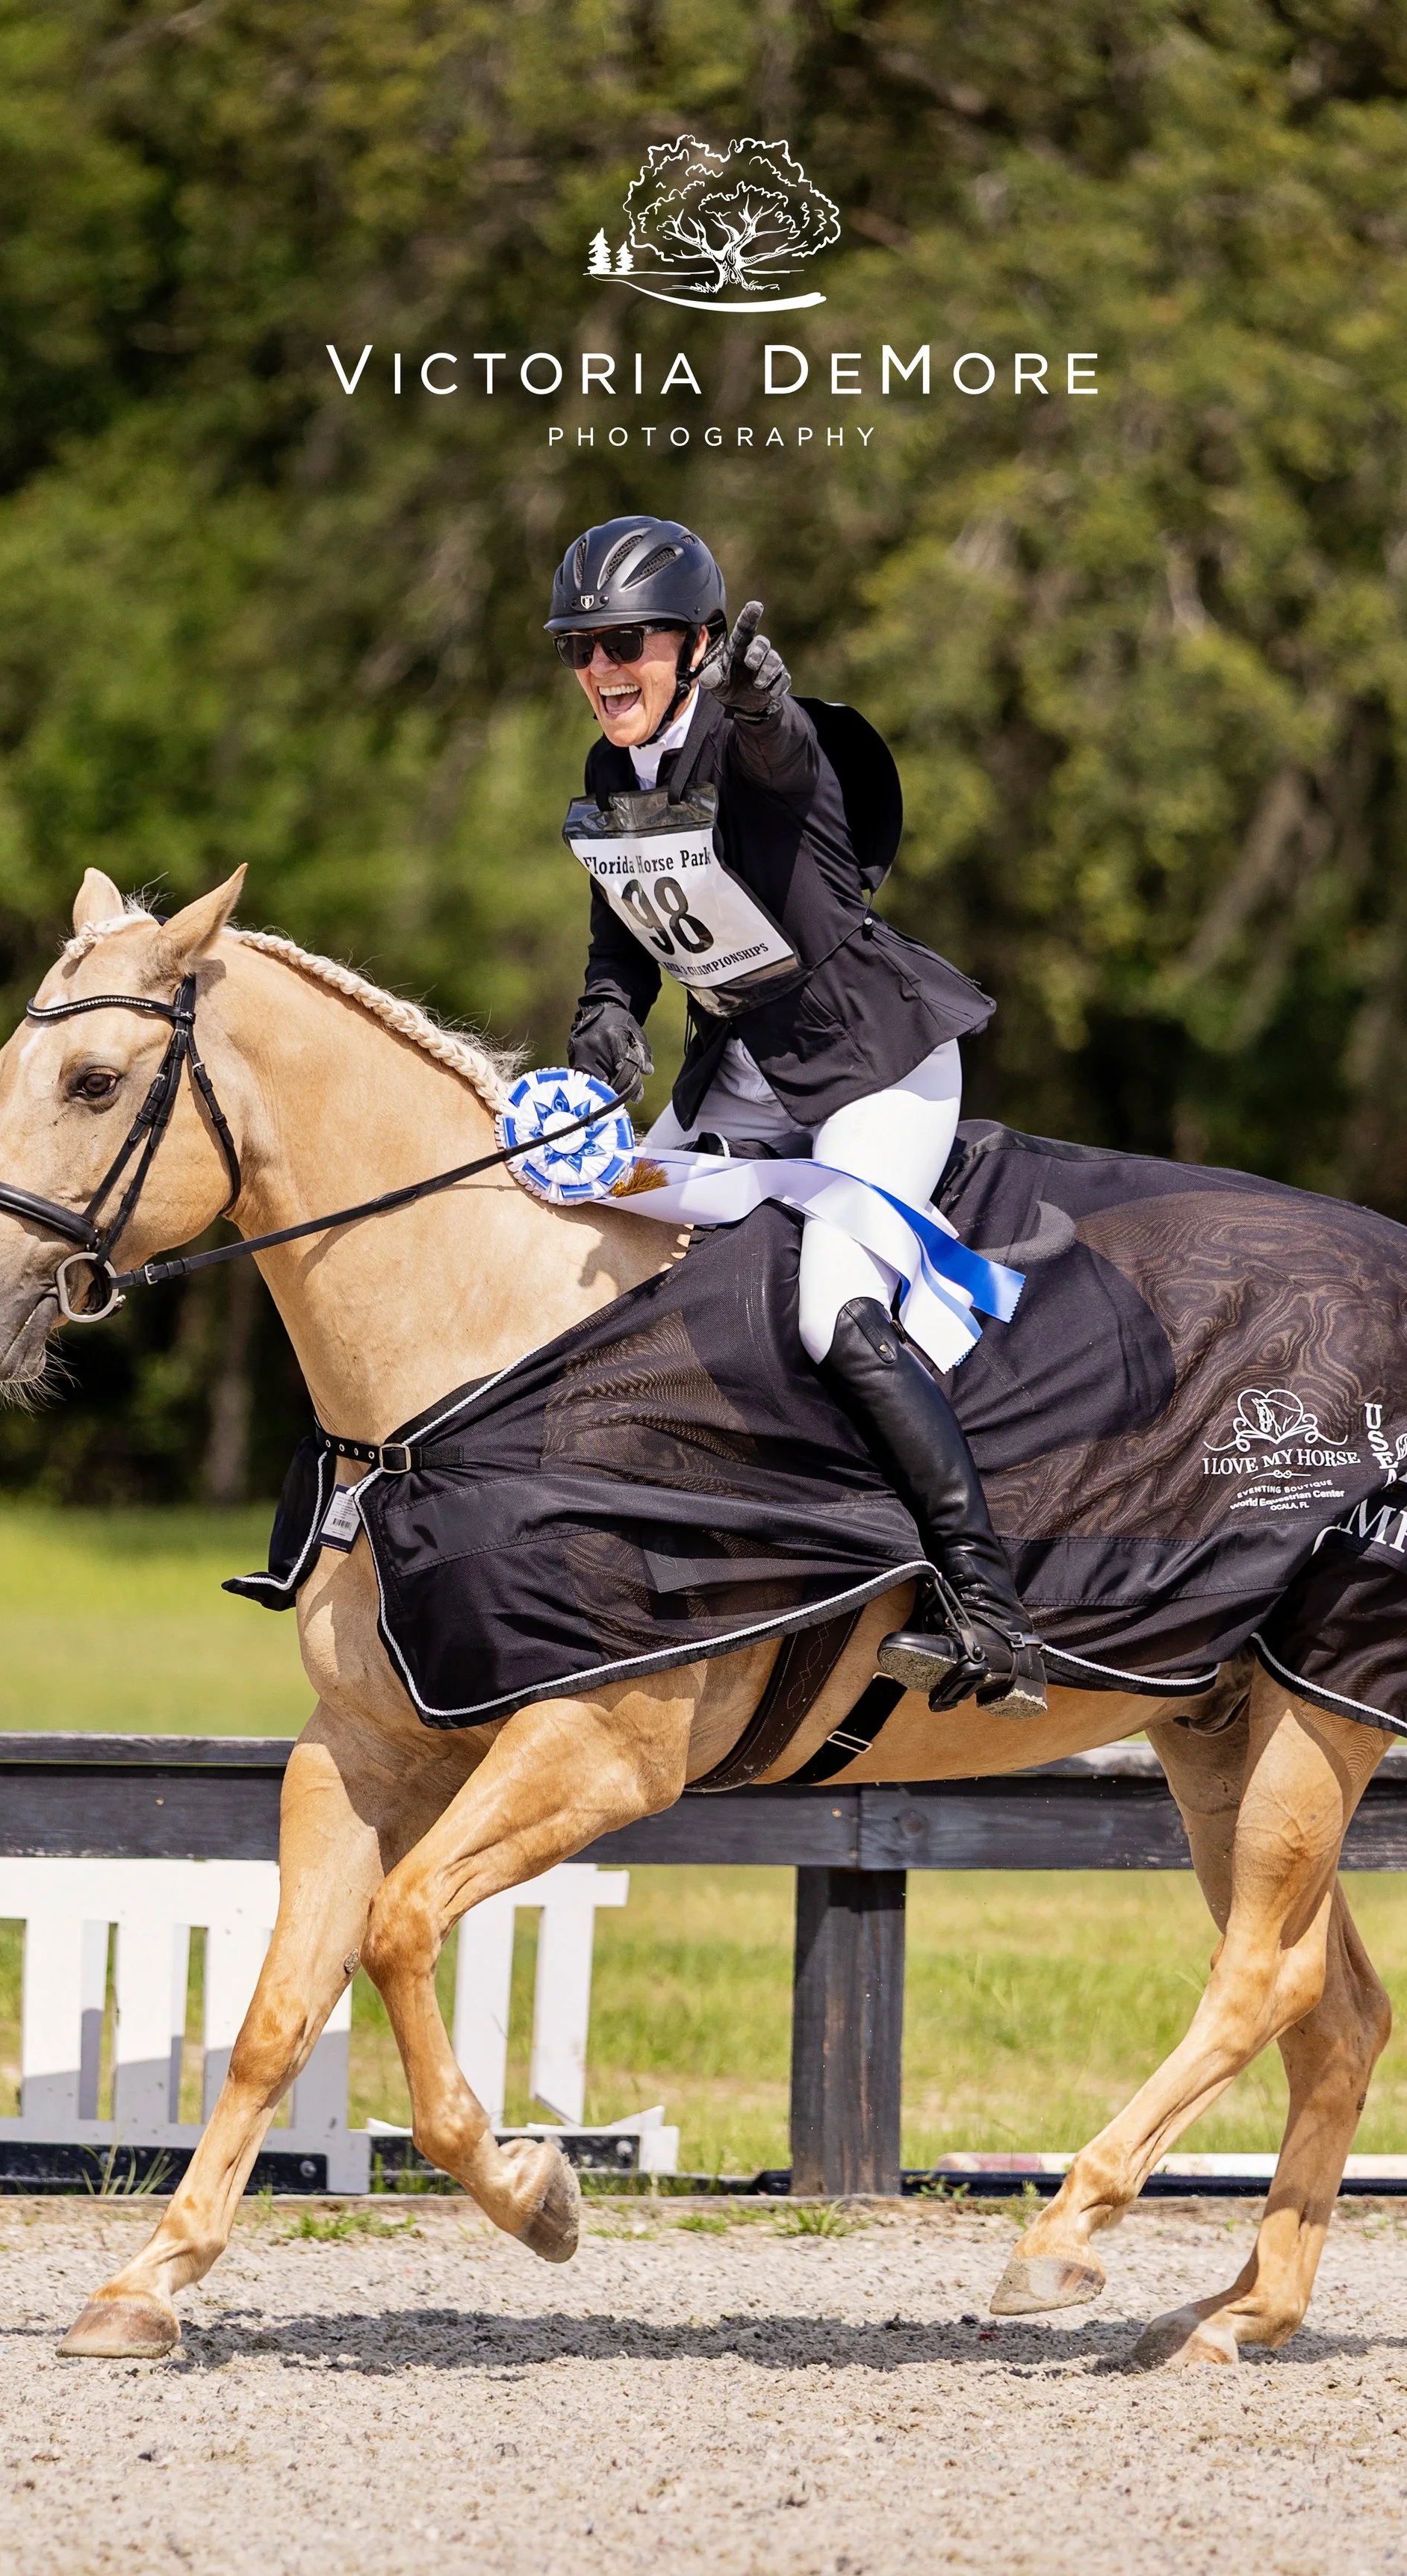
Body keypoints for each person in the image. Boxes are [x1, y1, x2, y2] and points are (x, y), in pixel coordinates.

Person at [551, 515, 1045, 1719]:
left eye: (628, 642)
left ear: (699, 641)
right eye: (582, 647)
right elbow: (626, 937)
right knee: (588, 1243)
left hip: (876, 1070)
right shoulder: (612, 773)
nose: (604, 669)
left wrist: (766, 705)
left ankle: (987, 1606)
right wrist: (606, 1018)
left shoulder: (764, 731)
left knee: (835, 1299)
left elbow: (782, 774)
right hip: (743, 1076)